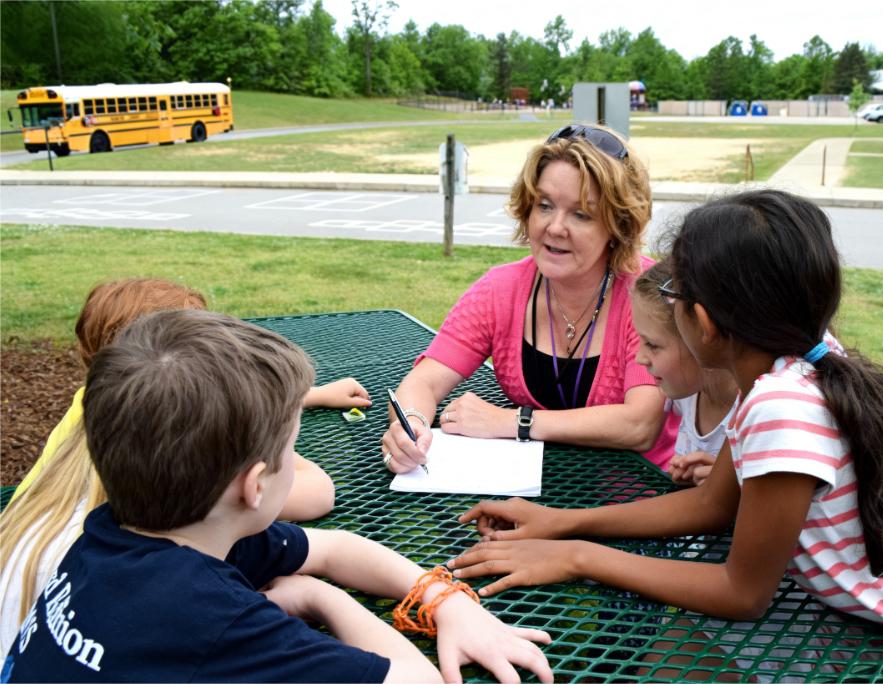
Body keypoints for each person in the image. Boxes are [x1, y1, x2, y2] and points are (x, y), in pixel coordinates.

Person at [446, 190, 883, 675]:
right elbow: (712, 505)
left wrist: (577, 557)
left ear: (705, 323)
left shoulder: (783, 406)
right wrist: (564, 524)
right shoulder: (792, 365)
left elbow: (742, 593)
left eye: (674, 296)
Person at [2, 309, 553, 682]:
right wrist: (321, 597)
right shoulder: (214, 622)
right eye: (294, 448)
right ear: (255, 484)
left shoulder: (126, 530)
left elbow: (334, 547)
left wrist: (445, 599)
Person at [0, 278, 367, 657]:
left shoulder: (96, 417)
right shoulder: (170, 467)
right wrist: (268, 431)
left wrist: (299, 399)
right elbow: (319, 494)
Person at [382, 124, 677, 474]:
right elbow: (423, 381)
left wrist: (515, 422)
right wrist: (410, 424)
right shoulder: (501, 290)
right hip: (535, 490)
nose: (554, 228)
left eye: (581, 214)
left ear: (618, 226)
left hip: (639, 494)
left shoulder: (646, 293)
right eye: (545, 206)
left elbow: (640, 425)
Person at [630, 260, 736, 486]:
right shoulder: (686, 390)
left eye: (652, 344)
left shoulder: (754, 412)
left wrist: (730, 487)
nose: (639, 357)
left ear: (700, 338)